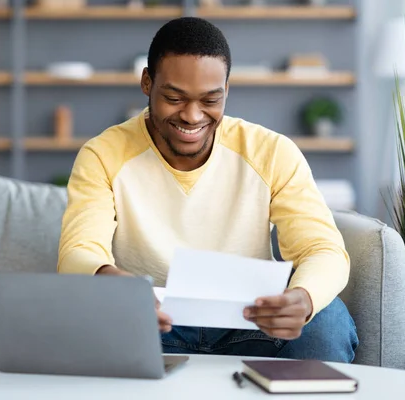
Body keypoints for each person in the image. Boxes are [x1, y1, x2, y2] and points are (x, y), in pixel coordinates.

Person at [57, 17, 358, 363]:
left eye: (210, 100)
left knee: (328, 321)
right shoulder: (103, 154)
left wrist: (303, 298)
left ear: (226, 90)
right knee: (83, 320)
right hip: (152, 322)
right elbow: (78, 251)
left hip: (253, 321)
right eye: (174, 97)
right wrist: (112, 283)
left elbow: (323, 249)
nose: (192, 115)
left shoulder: (271, 152)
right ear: (146, 82)